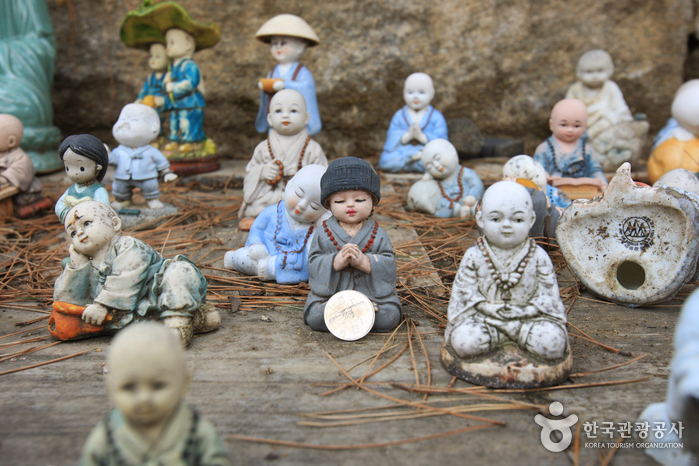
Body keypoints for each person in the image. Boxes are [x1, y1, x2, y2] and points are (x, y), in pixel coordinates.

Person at [52, 201, 219, 346]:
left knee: (179, 271)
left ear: (115, 224)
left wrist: (103, 305)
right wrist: (77, 268)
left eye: (86, 223)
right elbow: (65, 299)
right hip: (135, 314)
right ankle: (196, 319)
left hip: (160, 290)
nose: (80, 232)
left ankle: (178, 323)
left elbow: (127, 275)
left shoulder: (128, 245)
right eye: (72, 232)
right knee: (135, 325)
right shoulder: (87, 264)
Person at [445, 181, 568, 361]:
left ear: (531, 220)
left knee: (553, 343)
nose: (506, 225)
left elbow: (548, 298)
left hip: (528, 322)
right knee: (464, 341)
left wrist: (524, 312)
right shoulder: (474, 255)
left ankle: (520, 340)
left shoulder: (539, 256)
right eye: (496, 219)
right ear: (481, 220)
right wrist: (489, 309)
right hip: (486, 321)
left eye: (517, 219)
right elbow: (463, 296)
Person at [80, 322, 231, 465]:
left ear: (184, 382)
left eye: (158, 385)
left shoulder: (197, 432)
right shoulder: (106, 438)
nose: (144, 398)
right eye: (129, 387)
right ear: (110, 387)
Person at [304, 157, 402, 333]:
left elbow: (389, 263)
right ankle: (352, 314)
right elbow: (313, 263)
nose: (350, 205)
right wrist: (334, 262)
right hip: (333, 297)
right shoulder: (323, 233)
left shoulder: (377, 233)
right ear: (329, 205)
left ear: (373, 202)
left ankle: (364, 311)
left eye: (359, 200)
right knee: (316, 317)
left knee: (390, 316)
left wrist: (366, 263)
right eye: (340, 201)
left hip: (371, 296)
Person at [224, 164, 328, 283]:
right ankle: (233, 260)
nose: (302, 205)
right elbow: (258, 228)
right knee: (244, 257)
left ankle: (271, 270)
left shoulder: (313, 229)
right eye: (299, 195)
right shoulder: (273, 211)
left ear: (324, 211)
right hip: (263, 251)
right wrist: (257, 244)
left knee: (302, 266)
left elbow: (311, 257)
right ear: (289, 185)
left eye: (314, 207)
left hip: (289, 263)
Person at [240, 89, 327, 230]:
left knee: (307, 209)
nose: (285, 115)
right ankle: (262, 219)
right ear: (269, 119)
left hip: (300, 200)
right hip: (269, 195)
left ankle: (289, 221)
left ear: (306, 118)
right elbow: (251, 171)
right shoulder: (263, 147)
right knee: (256, 207)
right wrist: (262, 172)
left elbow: (323, 177)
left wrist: (301, 175)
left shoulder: (312, 149)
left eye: (293, 111)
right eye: (278, 111)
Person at [565, 50, 649, 171]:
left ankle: (597, 143)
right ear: (579, 73)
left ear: (610, 70)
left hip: (605, 126)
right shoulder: (575, 89)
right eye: (589, 72)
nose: (595, 75)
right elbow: (566, 109)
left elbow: (620, 107)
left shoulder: (611, 88)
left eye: (599, 71)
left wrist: (623, 115)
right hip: (582, 125)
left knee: (612, 116)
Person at [254, 14, 321, 135]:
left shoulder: (302, 72)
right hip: (277, 120)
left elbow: (306, 88)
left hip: (295, 122)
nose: (278, 47)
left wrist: (285, 85)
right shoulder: (273, 72)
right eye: (274, 43)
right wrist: (265, 87)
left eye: (283, 43)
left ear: (300, 47)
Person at [109, 103, 178, 210]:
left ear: (154, 127)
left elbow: (161, 161)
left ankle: (152, 199)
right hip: (122, 177)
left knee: (150, 186)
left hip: (146, 177)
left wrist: (166, 172)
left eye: (134, 120)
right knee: (119, 187)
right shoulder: (119, 151)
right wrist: (106, 155)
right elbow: (113, 160)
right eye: (122, 119)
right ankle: (122, 200)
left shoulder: (150, 151)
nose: (124, 123)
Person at [378, 72, 448, 173]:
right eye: (410, 92)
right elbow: (391, 137)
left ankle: (415, 161)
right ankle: (412, 160)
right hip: (404, 152)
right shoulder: (399, 115)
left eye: (421, 92)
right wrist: (408, 136)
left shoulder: (436, 117)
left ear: (432, 94)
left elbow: (443, 142)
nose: (415, 97)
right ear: (403, 93)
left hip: (425, 152)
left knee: (441, 161)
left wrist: (421, 137)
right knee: (385, 161)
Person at [534, 98, 608, 188]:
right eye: (564, 125)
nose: (570, 130)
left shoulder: (587, 150)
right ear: (551, 125)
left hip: (583, 192)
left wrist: (603, 184)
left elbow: (595, 170)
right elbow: (537, 170)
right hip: (554, 191)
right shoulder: (544, 149)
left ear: (585, 127)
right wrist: (546, 177)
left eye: (576, 126)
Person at [406, 139, 484, 217]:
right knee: (442, 205)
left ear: (452, 151)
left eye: (438, 158)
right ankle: (459, 211)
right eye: (430, 167)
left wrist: (472, 196)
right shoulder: (437, 181)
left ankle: (470, 211)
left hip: (470, 203)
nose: (436, 165)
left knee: (478, 207)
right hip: (452, 208)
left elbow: (477, 185)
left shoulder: (466, 173)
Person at [55, 134, 110, 223]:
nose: (74, 173)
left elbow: (104, 209)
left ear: (98, 167)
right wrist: (67, 213)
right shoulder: (72, 189)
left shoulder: (98, 190)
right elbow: (59, 205)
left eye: (82, 168)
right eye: (68, 168)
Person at [0, 114, 47, 211]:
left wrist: (3, 178)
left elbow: (19, 175)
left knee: (19, 200)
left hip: (23, 192)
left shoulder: (21, 158)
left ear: (11, 142)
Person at [136, 43, 170, 135]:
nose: (153, 60)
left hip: (161, 108)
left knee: (157, 121)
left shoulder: (168, 77)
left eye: (158, 56)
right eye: (151, 56)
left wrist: (164, 101)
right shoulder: (151, 78)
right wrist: (140, 99)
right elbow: (144, 90)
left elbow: (173, 96)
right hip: (148, 106)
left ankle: (158, 136)